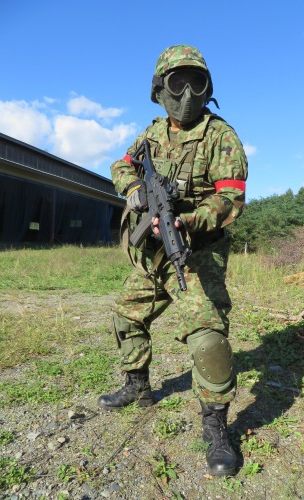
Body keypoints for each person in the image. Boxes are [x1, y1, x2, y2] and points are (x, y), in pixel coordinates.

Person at [98, 45, 248, 477]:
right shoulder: (150, 135)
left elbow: (231, 198)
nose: (186, 94)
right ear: (159, 88)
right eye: (176, 83)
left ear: (208, 88)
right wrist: (134, 191)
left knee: (208, 338)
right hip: (151, 255)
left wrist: (188, 221)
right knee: (126, 315)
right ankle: (138, 386)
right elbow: (121, 165)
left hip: (194, 255)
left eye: (195, 83)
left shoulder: (221, 137)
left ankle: (217, 427)